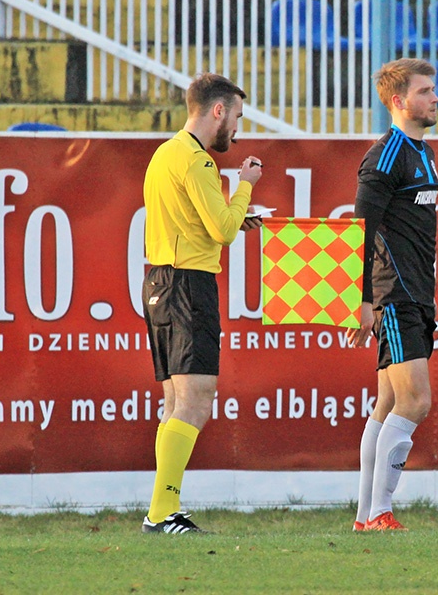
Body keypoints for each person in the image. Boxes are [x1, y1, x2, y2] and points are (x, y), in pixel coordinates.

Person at [141, 72, 263, 534]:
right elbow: (223, 231)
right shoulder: (199, 161)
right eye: (236, 116)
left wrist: (235, 215)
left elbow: (199, 221)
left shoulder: (164, 153)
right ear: (218, 110)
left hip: (159, 279)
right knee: (196, 400)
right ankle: (161, 513)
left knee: (176, 402)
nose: (236, 127)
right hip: (189, 284)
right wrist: (245, 184)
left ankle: (162, 509)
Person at [346, 58, 438, 532]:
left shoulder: (422, 151)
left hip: (417, 295)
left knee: (386, 403)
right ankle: (381, 511)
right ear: (400, 102)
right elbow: (361, 230)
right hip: (395, 294)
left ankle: (366, 516)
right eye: (425, 91)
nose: (435, 98)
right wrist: (364, 300)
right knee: (416, 401)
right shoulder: (386, 154)